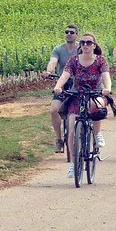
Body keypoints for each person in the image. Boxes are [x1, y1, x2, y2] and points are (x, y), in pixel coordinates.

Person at [53, 33, 112, 178]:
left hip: (94, 93)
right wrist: (58, 86)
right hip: (77, 95)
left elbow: (106, 77)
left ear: (94, 45)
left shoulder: (100, 61)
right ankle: (74, 164)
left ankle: (97, 134)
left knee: (95, 104)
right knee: (72, 129)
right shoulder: (73, 60)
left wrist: (108, 88)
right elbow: (65, 75)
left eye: (89, 42)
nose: (85, 45)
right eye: (83, 42)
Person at [43, 24, 79, 153]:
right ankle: (59, 140)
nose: (69, 34)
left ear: (76, 35)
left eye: (72, 32)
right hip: (62, 84)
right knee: (54, 110)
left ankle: (83, 130)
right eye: (67, 32)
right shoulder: (58, 49)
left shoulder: (81, 48)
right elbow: (53, 61)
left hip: (77, 84)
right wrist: (49, 71)